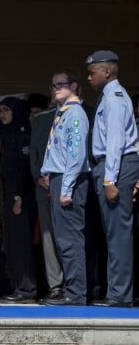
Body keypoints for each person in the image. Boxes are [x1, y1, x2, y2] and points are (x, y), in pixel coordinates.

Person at [86, 49, 139, 308]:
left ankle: (120, 295)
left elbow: (116, 140)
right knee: (113, 234)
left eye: (92, 72)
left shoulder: (115, 98)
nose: (89, 77)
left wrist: (109, 180)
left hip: (116, 167)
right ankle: (116, 292)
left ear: (107, 71)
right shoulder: (108, 97)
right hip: (110, 166)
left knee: (118, 234)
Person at [40, 70, 90, 306]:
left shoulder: (76, 114)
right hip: (59, 177)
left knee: (70, 239)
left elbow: (76, 155)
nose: (56, 88)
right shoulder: (62, 114)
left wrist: (67, 189)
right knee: (63, 238)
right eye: (53, 85)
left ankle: (76, 292)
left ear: (74, 86)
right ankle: (72, 288)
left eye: (62, 84)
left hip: (70, 179)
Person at [0, 96, 38, 304]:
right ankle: (18, 285)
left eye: (7, 110)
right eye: (1, 110)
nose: (2, 114)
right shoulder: (8, 135)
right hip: (9, 195)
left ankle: (26, 287)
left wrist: (18, 197)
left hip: (19, 196)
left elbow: (23, 170)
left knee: (21, 243)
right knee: (12, 242)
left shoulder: (22, 135)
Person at [29, 92, 64, 303]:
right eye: (55, 86)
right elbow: (33, 153)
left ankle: (79, 284)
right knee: (49, 237)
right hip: (44, 186)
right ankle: (56, 285)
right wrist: (38, 176)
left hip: (72, 185)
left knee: (72, 237)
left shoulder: (86, 112)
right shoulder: (41, 118)